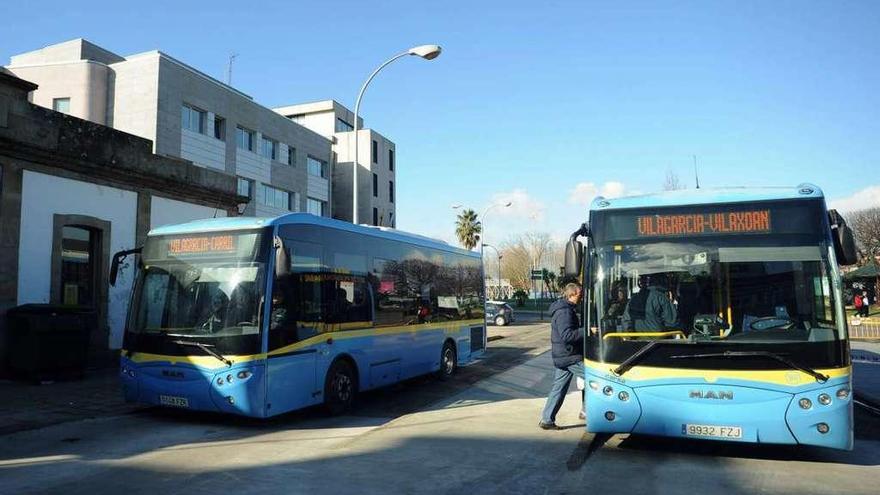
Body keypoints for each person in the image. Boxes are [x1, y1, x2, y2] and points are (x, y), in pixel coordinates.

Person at [539, 282, 586, 430]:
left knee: (558, 388)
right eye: (580, 294)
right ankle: (587, 411)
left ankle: (547, 420)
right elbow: (567, 335)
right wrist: (587, 331)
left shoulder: (565, 308)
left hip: (563, 356)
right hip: (569, 356)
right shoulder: (565, 312)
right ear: (572, 294)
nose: (582, 297)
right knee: (596, 378)